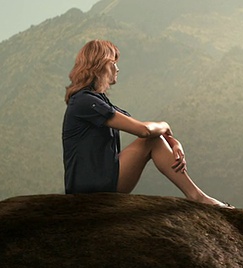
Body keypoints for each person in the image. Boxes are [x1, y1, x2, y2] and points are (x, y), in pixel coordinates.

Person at [62, 39, 232, 208]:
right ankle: (196, 196)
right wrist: (165, 125)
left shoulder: (97, 102)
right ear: (102, 65)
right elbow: (144, 131)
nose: (118, 68)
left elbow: (145, 128)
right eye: (114, 63)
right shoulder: (84, 101)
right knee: (152, 141)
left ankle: (197, 196)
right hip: (91, 186)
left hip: (101, 179)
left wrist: (174, 142)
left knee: (154, 139)